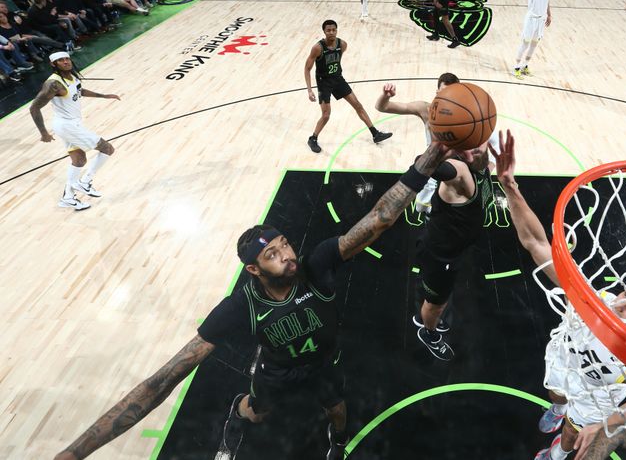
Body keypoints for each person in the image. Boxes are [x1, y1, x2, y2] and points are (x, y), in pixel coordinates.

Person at [52, 141, 454, 460]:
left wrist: (426, 162)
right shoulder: (238, 307)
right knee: (256, 412)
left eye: (284, 245)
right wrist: (76, 451)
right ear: (254, 271)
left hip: (322, 363)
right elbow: (165, 378)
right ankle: (238, 411)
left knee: (337, 408)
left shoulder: (316, 266)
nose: (287, 256)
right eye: (272, 256)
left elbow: (379, 219)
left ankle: (337, 444)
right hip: (276, 373)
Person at [489, 130, 626, 460]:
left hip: (598, 394)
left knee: (572, 434)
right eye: (625, 294)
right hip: (565, 360)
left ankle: (555, 455)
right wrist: (509, 185)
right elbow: (536, 244)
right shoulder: (595, 302)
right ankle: (557, 408)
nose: (620, 304)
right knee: (555, 393)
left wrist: (609, 424)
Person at [412, 125, 497, 360]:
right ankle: (428, 332)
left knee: (441, 297)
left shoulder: (484, 165)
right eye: (466, 148)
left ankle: (432, 313)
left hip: (455, 249)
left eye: (477, 143)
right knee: (436, 304)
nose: (473, 150)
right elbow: (426, 165)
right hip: (440, 255)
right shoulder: (459, 171)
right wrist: (441, 151)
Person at [29, 52, 120, 211]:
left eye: (66, 59)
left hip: (71, 125)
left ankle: (68, 198)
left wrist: (104, 96)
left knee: (79, 161)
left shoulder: (72, 77)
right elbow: (34, 107)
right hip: (66, 126)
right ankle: (85, 181)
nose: (65, 62)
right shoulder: (53, 84)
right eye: (60, 61)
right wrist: (43, 132)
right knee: (107, 148)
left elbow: (79, 91)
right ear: (53, 64)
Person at [375, 72, 460, 213]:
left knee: (451, 209)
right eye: (445, 92)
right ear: (437, 92)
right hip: (432, 162)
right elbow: (382, 107)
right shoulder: (426, 109)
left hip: (456, 166)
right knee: (421, 207)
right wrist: (385, 96)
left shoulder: (466, 114)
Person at [304, 19, 392, 154]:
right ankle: (313, 138)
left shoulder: (342, 45)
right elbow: (307, 69)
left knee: (358, 105)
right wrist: (310, 90)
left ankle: (375, 134)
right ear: (324, 31)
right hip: (324, 83)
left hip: (338, 79)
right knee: (326, 115)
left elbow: (336, 60)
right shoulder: (317, 48)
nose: (331, 32)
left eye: (334, 30)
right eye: (328, 30)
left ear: (336, 30)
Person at [513, 0, 551, 79]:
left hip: (541, 19)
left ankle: (525, 65)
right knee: (525, 43)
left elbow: (547, 0)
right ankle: (516, 68)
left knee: (534, 44)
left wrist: (549, 15)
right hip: (531, 19)